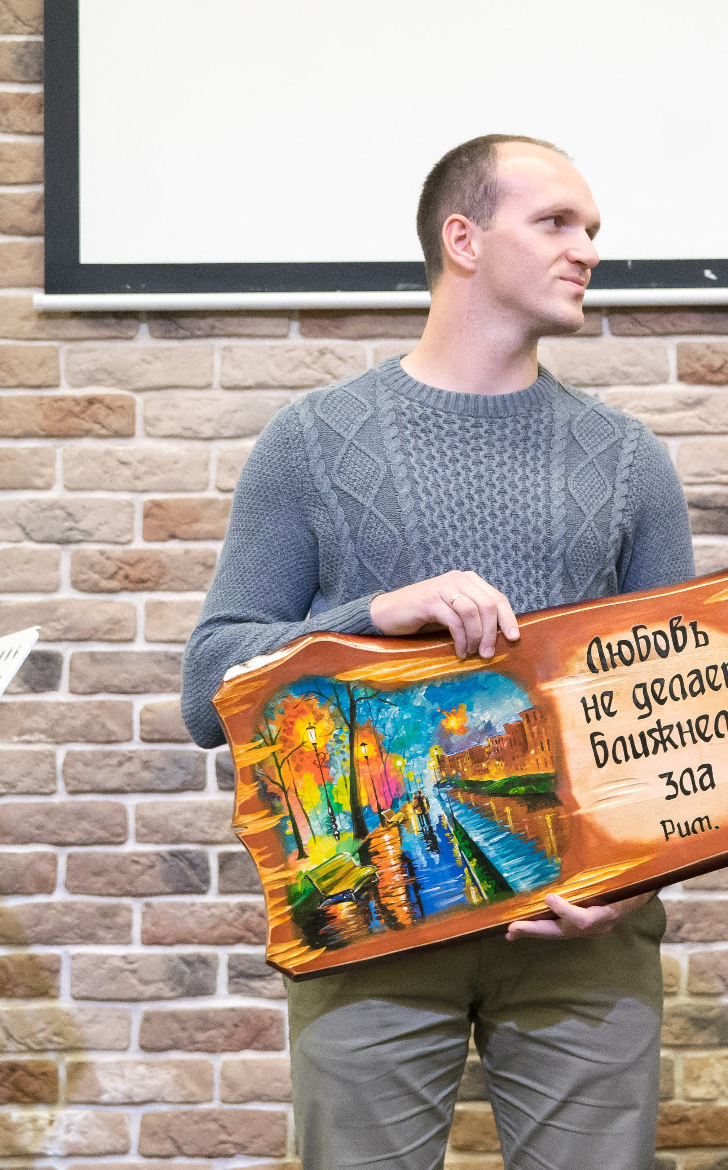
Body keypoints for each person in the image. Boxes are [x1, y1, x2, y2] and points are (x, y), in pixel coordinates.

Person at [181, 134, 694, 1170]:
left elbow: (678, 706)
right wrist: (375, 613)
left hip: (582, 933)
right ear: (463, 238)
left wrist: (642, 881)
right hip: (367, 927)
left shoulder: (629, 461)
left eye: (592, 228)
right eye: (556, 222)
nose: (587, 249)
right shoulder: (312, 444)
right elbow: (210, 686)